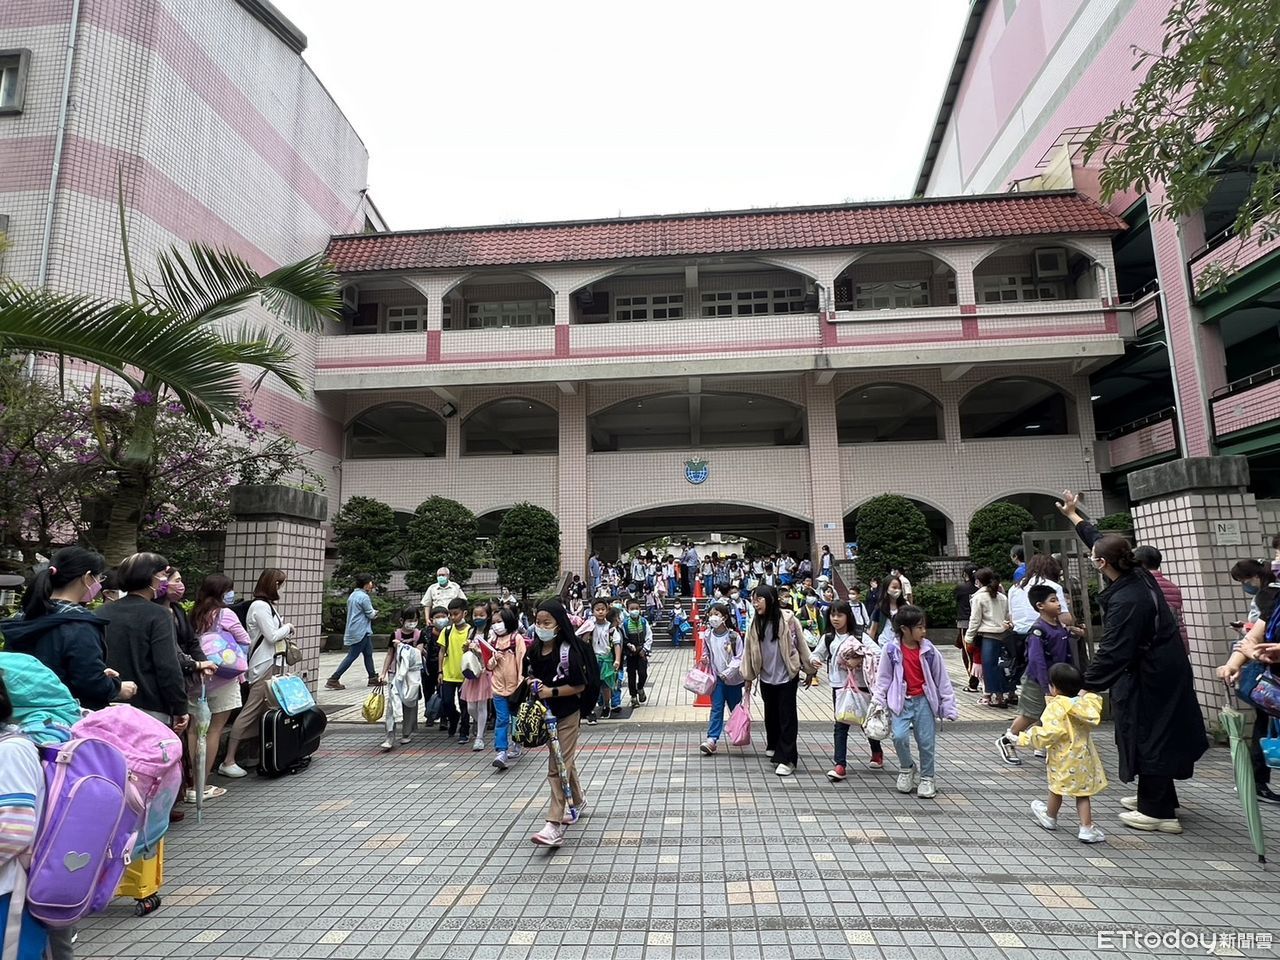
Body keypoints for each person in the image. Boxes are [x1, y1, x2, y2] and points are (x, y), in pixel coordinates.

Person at [1057, 490, 1207, 834]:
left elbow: (1113, 650)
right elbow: (1098, 538)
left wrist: (1083, 687)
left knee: (1149, 732)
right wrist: (1074, 515)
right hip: (1164, 667)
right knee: (1156, 731)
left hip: (1152, 674)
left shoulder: (1128, 598)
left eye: (1093, 557)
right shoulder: (1137, 572)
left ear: (1101, 564)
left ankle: (1158, 812)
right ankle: (1157, 798)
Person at [1, 546, 133, 709]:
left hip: (20, 710)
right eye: (99, 578)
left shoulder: (22, 617)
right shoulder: (80, 625)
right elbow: (89, 681)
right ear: (87, 577)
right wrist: (117, 687)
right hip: (66, 715)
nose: (99, 584)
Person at [872, 605, 958, 798]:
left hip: (924, 701)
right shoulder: (891, 650)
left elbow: (942, 679)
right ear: (904, 629)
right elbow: (883, 678)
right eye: (919, 627)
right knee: (899, 736)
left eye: (923, 627)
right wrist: (879, 700)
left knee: (926, 742)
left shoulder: (929, 650)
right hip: (900, 702)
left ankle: (927, 777)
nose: (923, 631)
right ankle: (907, 768)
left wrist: (948, 704)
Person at [1016, 662, 1107, 843]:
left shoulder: (1056, 707)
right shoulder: (1084, 704)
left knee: (1056, 788)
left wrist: (1026, 738)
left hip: (1062, 757)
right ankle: (1086, 827)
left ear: (1055, 688)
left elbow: (1050, 733)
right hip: (1083, 757)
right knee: (1082, 794)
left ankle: (1050, 816)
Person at [97, 553, 188, 732]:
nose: (164, 580)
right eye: (162, 575)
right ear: (150, 577)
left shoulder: (101, 613)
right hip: (149, 707)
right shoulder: (160, 615)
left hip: (107, 704)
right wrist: (179, 706)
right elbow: (167, 666)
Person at [218, 568, 294, 778]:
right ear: (273, 585)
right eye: (280, 584)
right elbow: (272, 636)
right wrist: (288, 627)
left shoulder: (266, 606)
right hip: (263, 665)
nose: (282, 588)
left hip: (270, 662)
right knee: (251, 710)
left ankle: (254, 754)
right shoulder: (260, 606)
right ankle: (228, 760)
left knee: (263, 710)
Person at [997, 584, 1082, 766]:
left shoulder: (1060, 627)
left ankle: (1041, 746)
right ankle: (1007, 740)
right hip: (1037, 681)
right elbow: (1037, 661)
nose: (1058, 604)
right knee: (1030, 714)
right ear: (1040, 606)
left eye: (1057, 600)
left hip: (1056, 681)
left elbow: (1066, 654)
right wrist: (1045, 687)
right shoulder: (1038, 630)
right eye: (1053, 600)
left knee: (1047, 714)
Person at [527, 599, 589, 847]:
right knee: (563, 760)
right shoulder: (534, 650)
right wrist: (531, 683)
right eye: (538, 622)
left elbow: (579, 686)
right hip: (546, 715)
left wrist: (550, 691)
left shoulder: (568, 652)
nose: (541, 627)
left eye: (547, 623)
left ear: (559, 625)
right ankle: (578, 799)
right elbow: (528, 674)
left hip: (567, 715)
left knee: (556, 766)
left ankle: (553, 825)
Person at [1217, 560, 1280, 805]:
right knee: (1264, 728)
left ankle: (1256, 781)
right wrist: (1235, 662)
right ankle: (1256, 781)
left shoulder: (1269, 594)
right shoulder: (1274, 597)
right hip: (1273, 689)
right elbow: (1254, 636)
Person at [185, 575, 251, 801]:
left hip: (198, 678)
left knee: (194, 730)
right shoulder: (225, 614)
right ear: (223, 592)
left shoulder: (193, 614)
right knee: (214, 730)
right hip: (223, 678)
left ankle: (191, 784)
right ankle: (202, 786)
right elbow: (245, 640)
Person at [741, 585, 818, 777]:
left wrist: (810, 670)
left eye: (759, 599)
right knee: (771, 714)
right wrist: (748, 677)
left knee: (787, 717)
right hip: (766, 677)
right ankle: (775, 745)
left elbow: (802, 646)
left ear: (771, 600)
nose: (755, 603)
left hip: (787, 676)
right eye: (753, 599)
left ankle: (788, 759)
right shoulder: (755, 623)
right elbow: (748, 651)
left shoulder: (788, 620)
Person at [812, 601, 879, 781]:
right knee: (841, 723)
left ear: (848, 616)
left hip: (861, 685)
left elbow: (877, 653)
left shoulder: (859, 636)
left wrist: (859, 660)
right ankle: (840, 765)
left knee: (865, 721)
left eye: (840, 615)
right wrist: (814, 661)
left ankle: (876, 751)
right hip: (839, 686)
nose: (835, 619)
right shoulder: (828, 637)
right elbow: (817, 654)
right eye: (832, 615)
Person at [698, 602, 745, 756]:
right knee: (716, 708)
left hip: (733, 680)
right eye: (711, 614)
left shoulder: (734, 636)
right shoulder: (708, 635)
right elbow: (706, 652)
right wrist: (705, 658)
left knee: (735, 709)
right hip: (716, 678)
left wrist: (728, 672)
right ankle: (712, 739)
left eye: (716, 614)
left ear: (724, 617)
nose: (713, 617)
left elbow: (739, 657)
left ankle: (739, 733)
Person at [966, 568, 1014, 708]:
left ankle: (995, 697)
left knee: (990, 668)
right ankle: (1003, 696)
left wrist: (968, 637)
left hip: (988, 636)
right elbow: (1007, 617)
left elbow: (975, 620)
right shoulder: (1002, 597)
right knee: (1001, 666)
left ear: (978, 582)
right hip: (1003, 635)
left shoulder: (978, 598)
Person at [379, 608, 424, 752]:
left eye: (415, 620)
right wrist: (383, 673)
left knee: (409, 702)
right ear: (402, 621)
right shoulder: (395, 634)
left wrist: (401, 645)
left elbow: (418, 653)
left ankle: (406, 732)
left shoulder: (419, 635)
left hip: (412, 675)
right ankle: (389, 736)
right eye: (410, 620)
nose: (413, 623)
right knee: (392, 704)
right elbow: (389, 654)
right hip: (395, 673)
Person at [488, 606, 526, 770]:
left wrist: (520, 683)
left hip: (515, 688)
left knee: (516, 718)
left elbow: (521, 661)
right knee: (502, 719)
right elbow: (488, 665)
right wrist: (494, 659)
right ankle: (501, 751)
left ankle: (517, 743)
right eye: (494, 622)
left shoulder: (517, 639)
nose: (496, 625)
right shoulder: (492, 642)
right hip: (497, 688)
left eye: (499, 621)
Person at [328, 574, 380, 690]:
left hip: (356, 629)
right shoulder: (364, 597)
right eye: (370, 582)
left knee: (368, 653)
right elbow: (370, 614)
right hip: (361, 630)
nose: (371, 584)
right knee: (352, 655)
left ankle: (372, 677)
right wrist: (376, 613)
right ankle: (334, 678)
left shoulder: (353, 595)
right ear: (366, 584)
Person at [1134, 545, 1188, 652]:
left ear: (1140, 564)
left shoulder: (1142, 586)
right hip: (1178, 641)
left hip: (1156, 646)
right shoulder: (1172, 586)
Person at [577, 599, 621, 723]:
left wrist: (617, 660)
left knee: (606, 685)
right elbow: (583, 641)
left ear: (607, 611)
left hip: (606, 659)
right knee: (591, 685)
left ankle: (606, 706)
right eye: (597, 610)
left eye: (603, 609)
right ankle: (590, 708)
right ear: (592, 611)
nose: (600, 612)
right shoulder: (590, 625)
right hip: (592, 660)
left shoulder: (611, 627)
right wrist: (588, 631)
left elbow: (617, 643)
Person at [437, 598, 473, 743]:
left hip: (465, 675)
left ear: (464, 613)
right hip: (448, 674)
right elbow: (441, 651)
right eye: (450, 614)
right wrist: (440, 671)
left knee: (464, 705)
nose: (452, 617)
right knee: (446, 702)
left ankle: (464, 731)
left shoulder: (471, 631)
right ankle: (453, 718)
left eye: (455, 614)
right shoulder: (446, 631)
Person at [461, 602, 494, 751]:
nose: (478, 618)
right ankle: (482, 723)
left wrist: (479, 650)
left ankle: (479, 737)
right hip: (472, 672)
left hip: (484, 672)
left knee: (481, 705)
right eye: (475, 615)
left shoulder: (491, 633)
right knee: (470, 707)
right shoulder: (471, 631)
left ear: (488, 616)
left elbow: (492, 653)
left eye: (481, 615)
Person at [620, 597, 653, 708]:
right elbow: (623, 638)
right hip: (630, 654)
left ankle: (640, 688)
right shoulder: (624, 624)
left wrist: (645, 649)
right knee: (631, 676)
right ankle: (633, 697)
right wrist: (629, 646)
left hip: (642, 652)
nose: (634, 611)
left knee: (643, 673)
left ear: (640, 609)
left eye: (636, 608)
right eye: (631, 609)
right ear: (627, 610)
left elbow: (649, 636)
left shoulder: (644, 622)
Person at [954, 564, 980, 693]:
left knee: (968, 652)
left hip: (965, 622)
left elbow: (956, 600)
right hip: (980, 623)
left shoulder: (961, 588)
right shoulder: (982, 588)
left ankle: (973, 682)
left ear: (965, 574)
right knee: (978, 651)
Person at [868, 576, 906, 644]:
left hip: (901, 644)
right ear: (886, 588)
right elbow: (873, 629)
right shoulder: (880, 607)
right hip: (884, 643)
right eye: (894, 587)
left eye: (899, 588)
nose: (897, 590)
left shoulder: (905, 607)